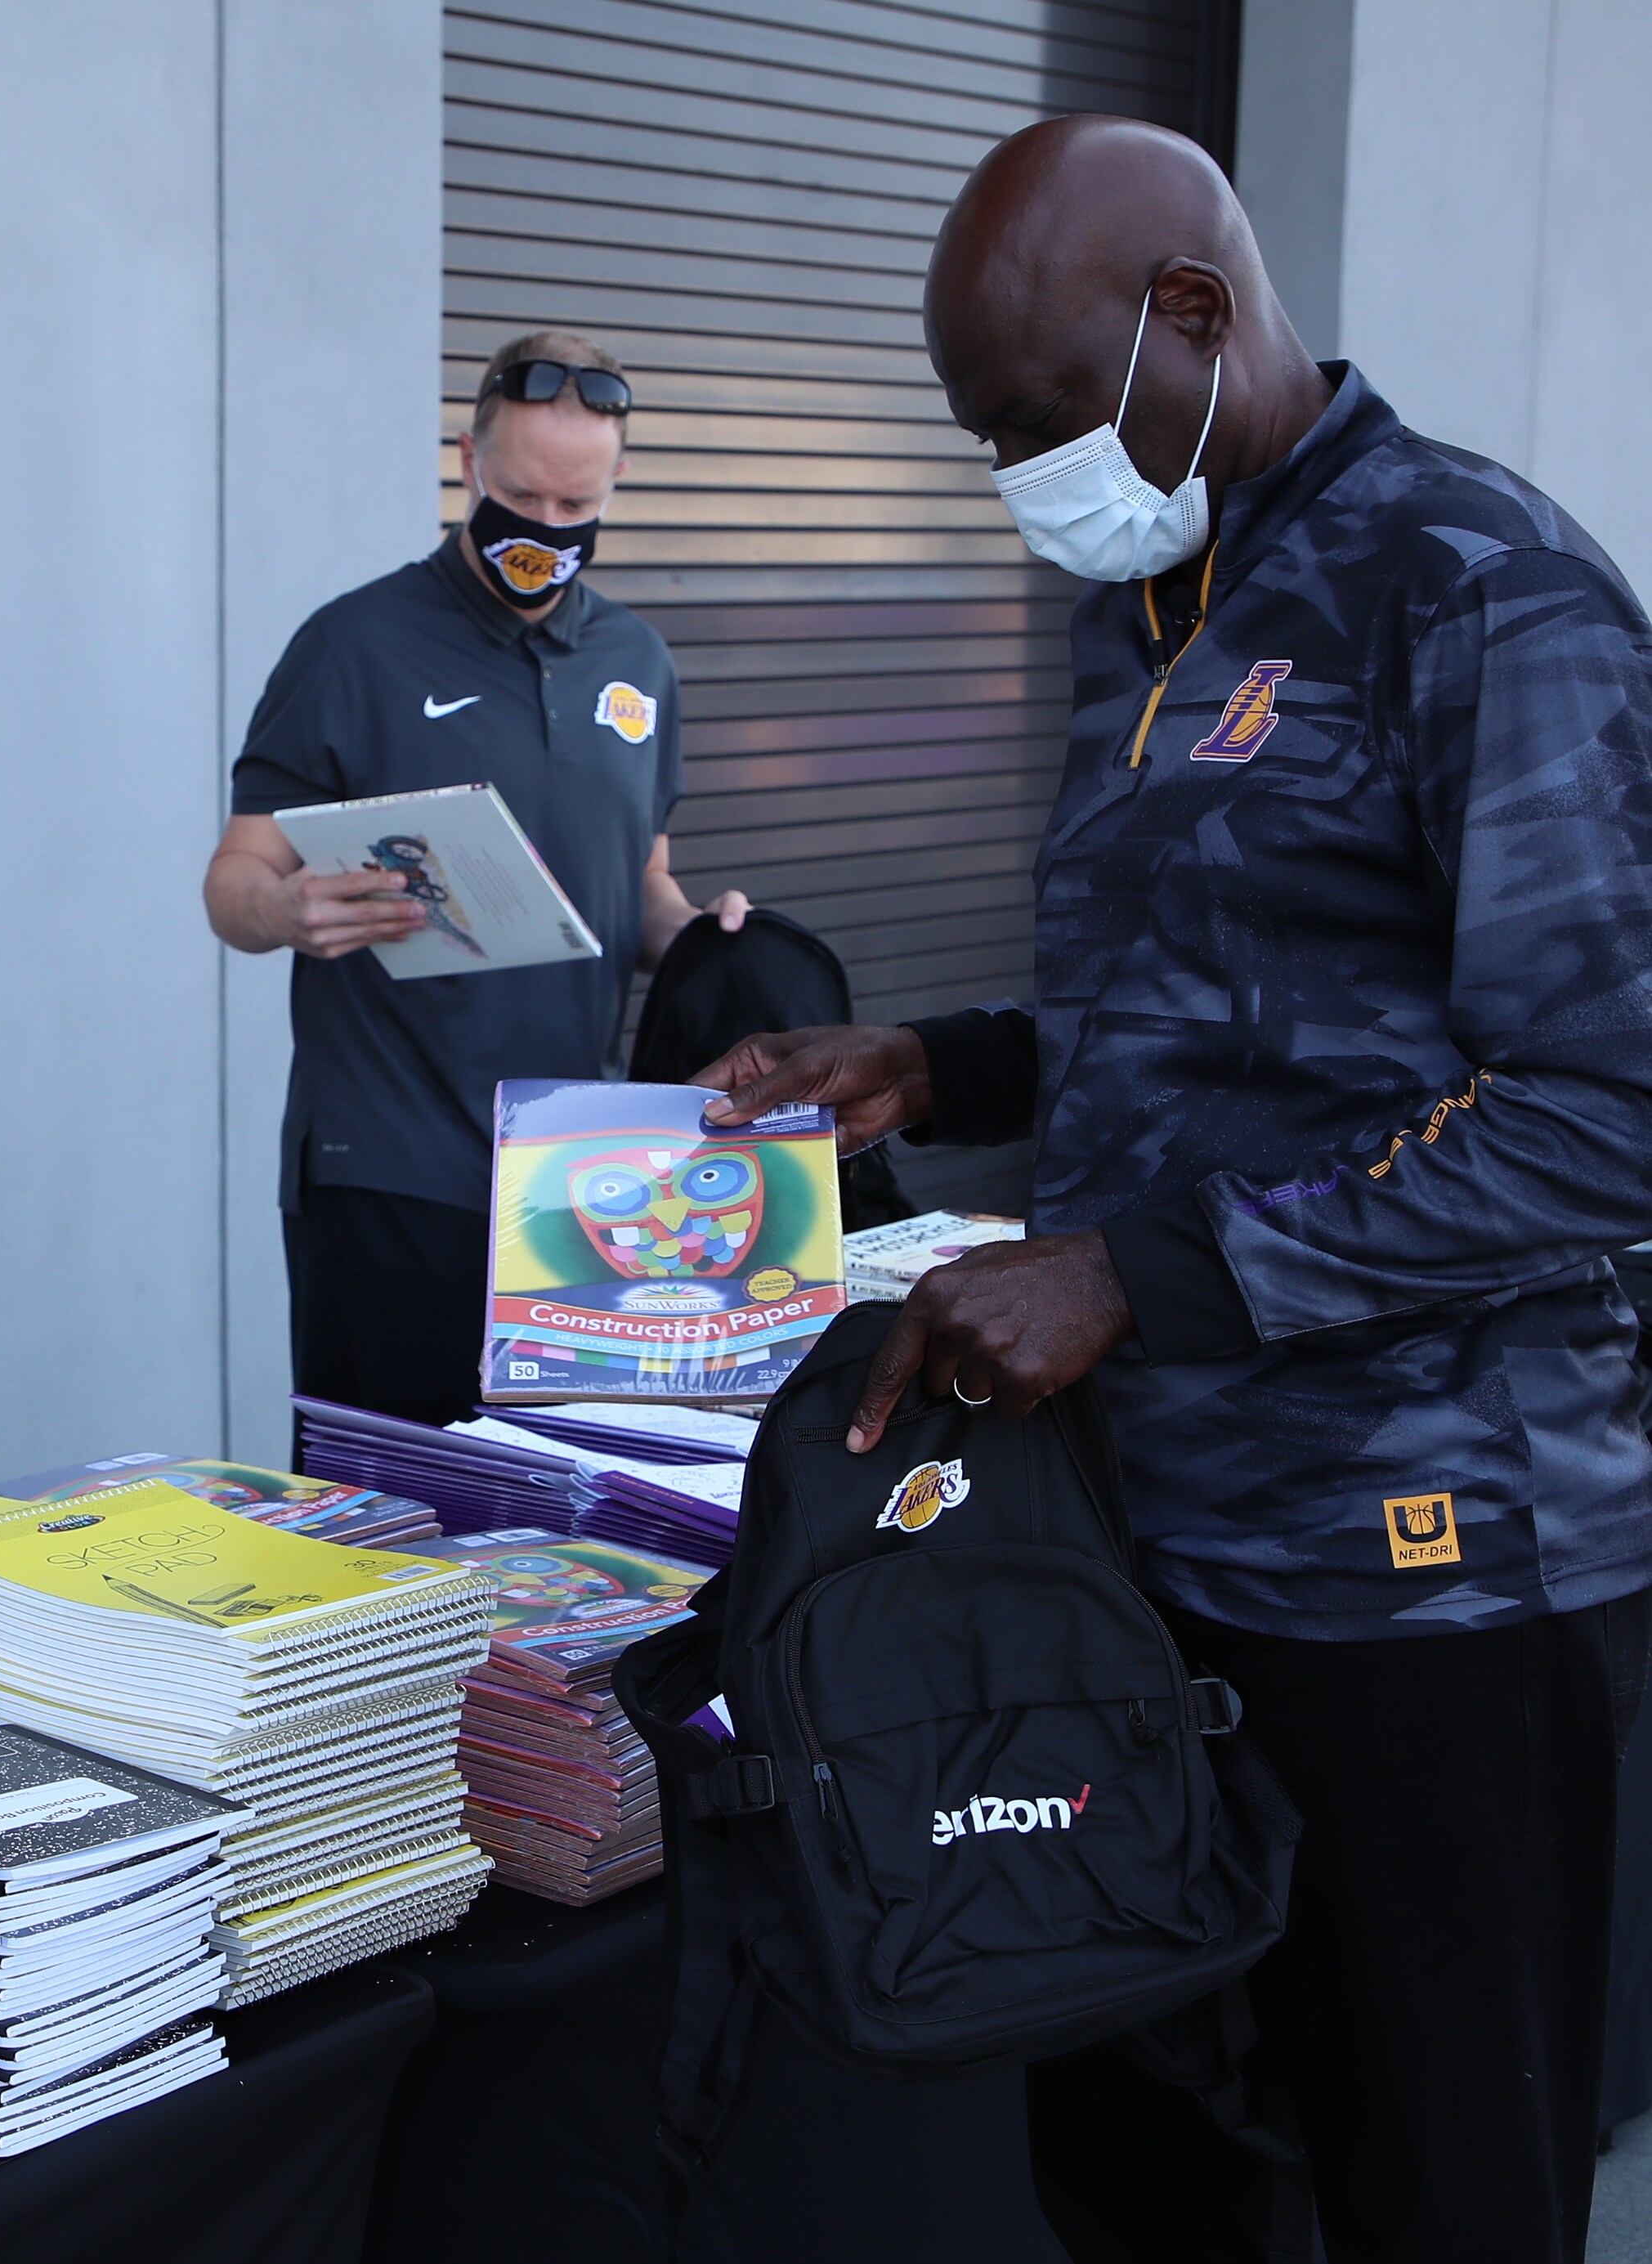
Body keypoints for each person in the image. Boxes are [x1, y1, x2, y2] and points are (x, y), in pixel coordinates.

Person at [696, 117, 1652, 2264]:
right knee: (1151, 2179)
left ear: (1193, 314)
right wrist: (939, 1063)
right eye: (986, 438)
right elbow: (1224, 1022)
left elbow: (1599, 1108)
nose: (1020, 472)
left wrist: (1136, 1274)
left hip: (1428, 1584)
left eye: (1037, 417)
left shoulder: (1479, 589)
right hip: (1145, 1560)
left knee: (1430, 2189)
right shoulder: (1147, 601)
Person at [205, 330, 749, 1426]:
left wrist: (706, 933)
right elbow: (235, 878)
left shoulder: (636, 664)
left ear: (614, 486)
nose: (543, 531)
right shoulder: (352, 647)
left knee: (556, 1526)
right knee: (393, 1519)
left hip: (580, 1176)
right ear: (467, 464)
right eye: (519, 496)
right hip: (390, 1166)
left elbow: (641, 881)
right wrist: (286, 907)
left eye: (571, 507)